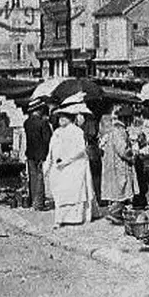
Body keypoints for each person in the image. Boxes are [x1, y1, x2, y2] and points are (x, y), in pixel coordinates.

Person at [43, 98, 97, 229]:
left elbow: (80, 150)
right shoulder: (57, 132)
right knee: (61, 193)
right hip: (59, 168)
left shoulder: (77, 131)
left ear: (70, 118)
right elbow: (51, 149)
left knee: (75, 192)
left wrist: (66, 160)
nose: (61, 119)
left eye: (64, 117)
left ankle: (78, 217)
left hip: (74, 166)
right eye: (60, 117)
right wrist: (48, 163)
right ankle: (61, 218)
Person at [101, 105, 138, 224]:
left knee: (119, 189)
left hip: (114, 164)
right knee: (120, 190)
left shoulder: (114, 130)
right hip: (119, 165)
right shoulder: (119, 132)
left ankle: (117, 213)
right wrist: (132, 155)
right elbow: (122, 150)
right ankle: (114, 213)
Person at [24, 98, 52, 211]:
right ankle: (39, 203)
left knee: (33, 177)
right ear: (39, 109)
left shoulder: (27, 122)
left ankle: (32, 201)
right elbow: (47, 139)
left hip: (30, 153)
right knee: (40, 178)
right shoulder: (43, 123)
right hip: (41, 154)